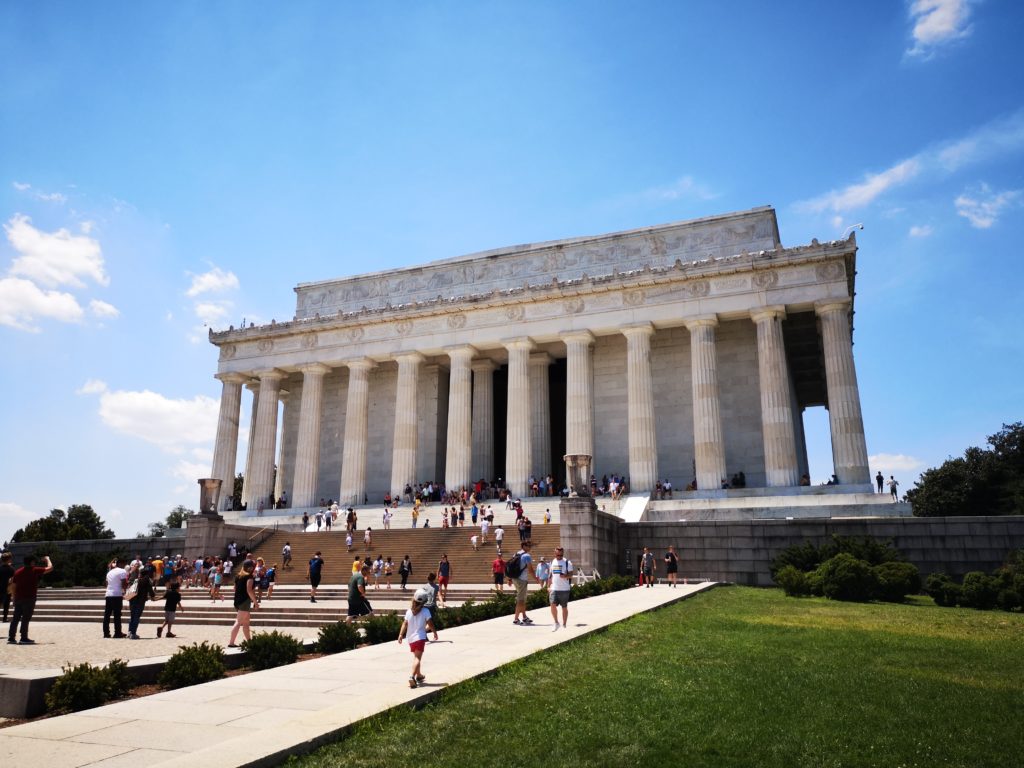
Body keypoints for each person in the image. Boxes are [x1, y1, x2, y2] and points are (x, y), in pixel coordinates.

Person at [6, 554, 52, 645]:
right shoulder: (34, 570)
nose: (34, 563)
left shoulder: (17, 572)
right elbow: (50, 568)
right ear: (31, 562)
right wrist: (48, 559)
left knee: (15, 618)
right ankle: (24, 637)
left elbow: (13, 587)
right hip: (29, 599)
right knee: (25, 618)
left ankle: (11, 637)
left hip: (19, 598)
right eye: (34, 561)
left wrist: (13, 599)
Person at [399, 591, 438, 689]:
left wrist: (400, 635)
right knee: (417, 658)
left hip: (410, 639)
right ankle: (412, 677)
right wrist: (434, 632)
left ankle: (419, 675)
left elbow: (404, 624)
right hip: (420, 638)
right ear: (425, 601)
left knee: (416, 656)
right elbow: (430, 623)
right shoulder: (425, 611)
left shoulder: (408, 611)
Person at [228, 560, 259, 647]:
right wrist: (255, 602)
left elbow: (234, 588)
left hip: (237, 600)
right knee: (238, 622)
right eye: (253, 566)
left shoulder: (238, 576)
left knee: (246, 623)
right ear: (250, 567)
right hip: (245, 601)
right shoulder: (249, 577)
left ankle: (249, 642)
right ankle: (231, 643)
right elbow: (249, 590)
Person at [548, 546, 574, 632]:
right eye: (558, 555)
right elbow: (550, 575)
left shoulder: (567, 562)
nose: (559, 556)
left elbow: (571, 574)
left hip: (564, 589)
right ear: (555, 553)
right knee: (552, 604)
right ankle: (556, 622)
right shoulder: (552, 562)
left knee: (564, 607)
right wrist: (548, 586)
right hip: (554, 588)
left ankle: (564, 624)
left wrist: (565, 576)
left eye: (561, 555)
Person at [510, 541, 536, 625]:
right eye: (528, 546)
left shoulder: (516, 554)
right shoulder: (526, 556)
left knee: (523, 599)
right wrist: (536, 579)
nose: (530, 547)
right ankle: (516, 619)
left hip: (515, 579)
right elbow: (530, 569)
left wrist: (509, 578)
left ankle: (524, 617)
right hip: (522, 580)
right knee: (520, 600)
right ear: (523, 546)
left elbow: (511, 566)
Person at [127, 565, 155, 639]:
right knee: (136, 617)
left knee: (132, 616)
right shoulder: (146, 580)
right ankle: (133, 633)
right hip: (140, 601)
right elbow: (151, 591)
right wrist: (153, 596)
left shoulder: (137, 580)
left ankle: (129, 632)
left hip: (132, 600)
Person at [103, 557, 128, 638]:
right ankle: (117, 633)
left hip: (108, 594)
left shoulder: (109, 572)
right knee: (117, 615)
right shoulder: (122, 571)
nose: (125, 566)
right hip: (117, 595)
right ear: (121, 563)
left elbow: (106, 584)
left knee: (107, 615)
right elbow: (124, 583)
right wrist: (126, 590)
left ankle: (106, 633)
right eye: (124, 564)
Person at [0, 552, 15, 623]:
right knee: (6, 605)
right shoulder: (11, 569)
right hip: (7, 589)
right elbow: (12, 580)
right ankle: (4, 618)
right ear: (8, 559)